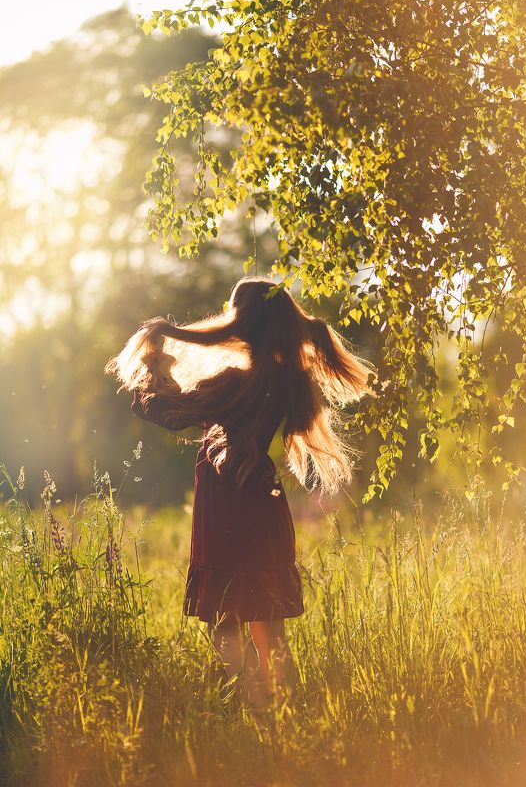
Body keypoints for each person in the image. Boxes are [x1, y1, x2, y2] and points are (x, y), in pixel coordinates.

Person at [105, 277, 374, 718]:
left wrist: (157, 363)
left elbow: (161, 411)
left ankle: (256, 706)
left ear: (241, 323)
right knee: (270, 622)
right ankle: (283, 715)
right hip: (263, 501)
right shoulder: (291, 381)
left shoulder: (230, 382)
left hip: (224, 500)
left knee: (224, 620)